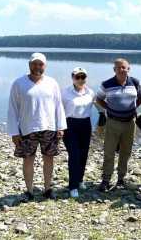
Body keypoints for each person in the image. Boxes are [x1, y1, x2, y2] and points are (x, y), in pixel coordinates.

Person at [7, 52, 67, 200]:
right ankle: (29, 191)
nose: (37, 67)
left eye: (40, 64)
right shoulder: (18, 83)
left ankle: (48, 189)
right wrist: (14, 132)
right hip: (27, 128)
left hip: (49, 127)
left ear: (45, 66)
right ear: (29, 65)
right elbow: (12, 109)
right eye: (34, 63)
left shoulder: (52, 83)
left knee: (49, 159)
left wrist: (61, 126)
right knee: (28, 159)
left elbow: (59, 106)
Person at [96, 58, 141, 191]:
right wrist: (109, 108)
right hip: (113, 122)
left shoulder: (135, 82)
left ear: (129, 69)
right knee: (109, 151)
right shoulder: (107, 84)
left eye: (124, 67)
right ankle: (106, 180)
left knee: (126, 152)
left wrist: (132, 109)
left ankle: (121, 179)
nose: (122, 70)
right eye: (119, 68)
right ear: (114, 70)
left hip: (130, 123)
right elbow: (98, 99)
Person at [61, 67, 95, 198]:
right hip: (70, 125)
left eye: (83, 77)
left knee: (83, 154)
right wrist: (59, 127)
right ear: (73, 78)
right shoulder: (65, 93)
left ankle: (80, 179)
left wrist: (103, 114)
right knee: (74, 155)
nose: (80, 80)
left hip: (85, 124)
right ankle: (73, 186)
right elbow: (59, 110)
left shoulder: (90, 92)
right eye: (77, 77)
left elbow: (96, 104)